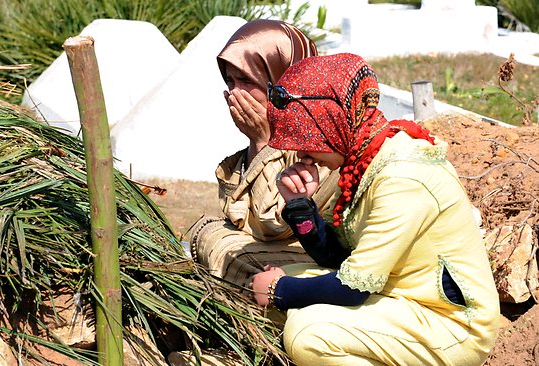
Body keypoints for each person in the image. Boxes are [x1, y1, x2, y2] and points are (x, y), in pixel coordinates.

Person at [249, 54, 500, 365]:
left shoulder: (402, 177)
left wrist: (280, 290)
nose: (303, 155)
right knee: (279, 282)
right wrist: (300, 207)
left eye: (307, 139)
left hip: (450, 325)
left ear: (332, 122)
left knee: (307, 335)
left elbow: (353, 287)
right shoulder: (365, 158)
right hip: (401, 298)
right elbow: (338, 258)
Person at [188, 19, 339, 287]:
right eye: (230, 81)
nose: (235, 93)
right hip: (282, 247)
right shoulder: (277, 125)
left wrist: (263, 140)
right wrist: (258, 141)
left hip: (320, 253)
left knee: (230, 255)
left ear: (280, 79)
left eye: (246, 80)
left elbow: (272, 226)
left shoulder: (319, 134)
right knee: (210, 232)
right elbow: (238, 216)